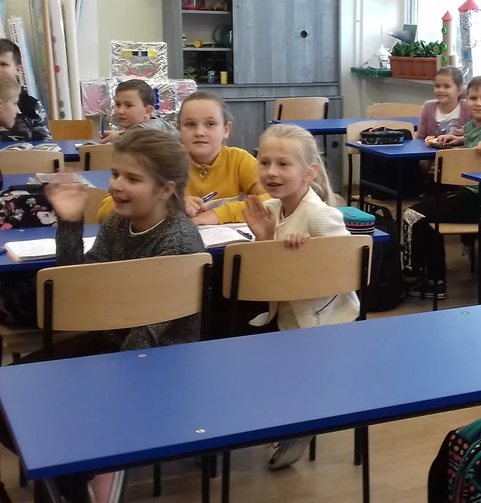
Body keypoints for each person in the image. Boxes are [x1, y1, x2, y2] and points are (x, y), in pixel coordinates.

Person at [0, 129, 206, 498]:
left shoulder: (178, 243)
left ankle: (84, 475)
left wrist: (91, 384)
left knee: (22, 415)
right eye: (115, 174)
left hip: (154, 360)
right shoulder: (118, 222)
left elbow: (149, 334)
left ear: (166, 190)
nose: (116, 185)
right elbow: (80, 286)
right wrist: (70, 221)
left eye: (133, 179)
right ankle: (81, 473)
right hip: (113, 341)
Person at [241, 123, 354, 470]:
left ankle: (302, 423)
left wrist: (307, 254)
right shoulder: (272, 208)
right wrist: (265, 240)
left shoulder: (320, 215)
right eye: (264, 162)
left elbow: (346, 267)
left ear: (309, 173)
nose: (271, 172)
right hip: (288, 313)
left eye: (283, 164)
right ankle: (292, 419)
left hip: (323, 323)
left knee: (282, 371)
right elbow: (270, 274)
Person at [401, 76, 481, 299]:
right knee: (424, 213)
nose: (479, 103)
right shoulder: (472, 125)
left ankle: (413, 276)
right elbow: (473, 137)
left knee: (413, 215)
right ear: (466, 100)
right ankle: (434, 278)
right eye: (473, 98)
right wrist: (457, 140)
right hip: (470, 193)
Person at [94, 91, 265, 224]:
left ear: (226, 129)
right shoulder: (162, 161)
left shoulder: (239, 160)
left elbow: (274, 198)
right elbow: (105, 210)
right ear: (179, 130)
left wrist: (219, 214)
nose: (199, 132)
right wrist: (170, 205)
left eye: (210, 124)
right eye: (190, 124)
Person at [98, 79, 178, 143]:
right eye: (118, 104)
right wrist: (118, 134)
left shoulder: (149, 133)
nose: (120, 111)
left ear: (147, 111)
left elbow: (139, 134)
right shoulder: (150, 125)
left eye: (129, 105)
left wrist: (119, 135)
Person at [417, 66, 470, 139]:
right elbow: (420, 138)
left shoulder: (468, 107)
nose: (441, 90)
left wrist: (466, 134)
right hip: (432, 147)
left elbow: (477, 135)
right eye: (437, 86)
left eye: (447, 86)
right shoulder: (428, 108)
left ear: (459, 90)